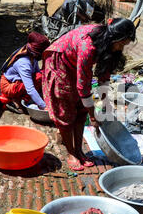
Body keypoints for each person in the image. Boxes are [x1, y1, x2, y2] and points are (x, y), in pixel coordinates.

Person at [42, 18, 136, 171]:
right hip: (59, 62)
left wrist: (106, 104)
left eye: (124, 45)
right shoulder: (88, 46)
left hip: (75, 63)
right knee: (65, 110)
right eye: (120, 44)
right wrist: (93, 116)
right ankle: (71, 152)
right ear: (113, 38)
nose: (121, 49)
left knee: (81, 111)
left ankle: (79, 150)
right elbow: (83, 87)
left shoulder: (107, 44)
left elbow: (104, 76)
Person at [0, 32, 50, 114]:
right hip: (8, 85)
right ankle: (16, 100)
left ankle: (25, 98)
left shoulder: (30, 53)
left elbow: (38, 72)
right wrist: (44, 106)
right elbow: (30, 89)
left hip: (18, 82)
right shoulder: (24, 63)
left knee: (41, 75)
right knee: (38, 78)